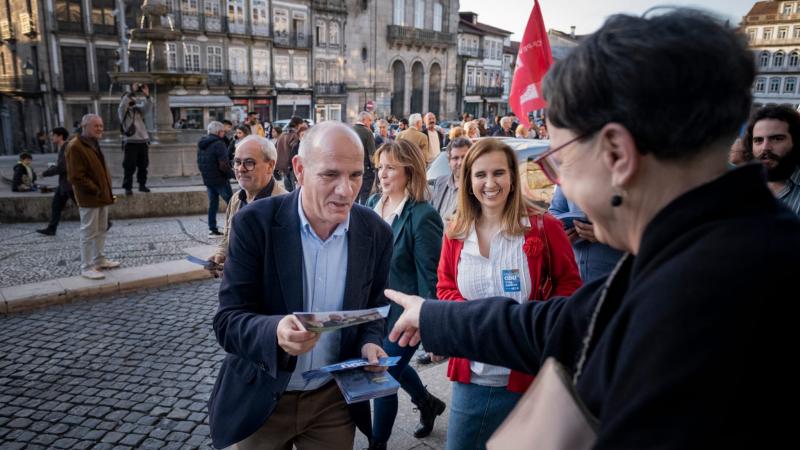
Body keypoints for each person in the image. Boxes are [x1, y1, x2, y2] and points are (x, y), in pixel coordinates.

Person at [387, 9, 800, 449]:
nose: (561, 183)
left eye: (560, 161)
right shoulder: (713, 245)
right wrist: (432, 314)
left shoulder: (702, 299)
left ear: (617, 154)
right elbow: (562, 324)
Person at [208, 121, 393, 450]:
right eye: (330, 175)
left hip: (332, 402)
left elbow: (374, 312)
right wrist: (276, 331)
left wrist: (369, 343)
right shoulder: (255, 224)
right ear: (299, 169)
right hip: (262, 397)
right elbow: (227, 322)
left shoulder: (375, 233)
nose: (346, 190)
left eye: (355, 175)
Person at [430, 138, 582, 450]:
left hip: (531, 379)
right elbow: (445, 289)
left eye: (498, 173)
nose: (489, 183)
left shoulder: (543, 226)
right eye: (480, 174)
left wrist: (536, 327)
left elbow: (570, 287)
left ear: (512, 177)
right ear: (468, 180)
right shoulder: (455, 231)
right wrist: (474, 326)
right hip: (471, 378)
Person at [365, 140, 446, 449]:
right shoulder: (373, 202)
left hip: (404, 316)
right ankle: (427, 402)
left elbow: (431, 277)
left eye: (391, 168)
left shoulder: (422, 215)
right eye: (380, 167)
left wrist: (434, 330)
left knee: (382, 377)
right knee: (393, 368)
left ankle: (378, 444)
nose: (383, 174)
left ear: (409, 171)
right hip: (373, 312)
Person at [207, 135, 288, 277]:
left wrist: (236, 267)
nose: (241, 169)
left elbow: (286, 262)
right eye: (237, 162)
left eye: (249, 162)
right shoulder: (236, 199)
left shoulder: (286, 205)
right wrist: (220, 254)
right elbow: (227, 237)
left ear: (270, 166)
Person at [65, 114, 120, 280]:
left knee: (102, 229)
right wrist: (95, 189)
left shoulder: (92, 143)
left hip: (102, 195)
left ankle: (100, 259)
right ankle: (87, 266)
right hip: (90, 197)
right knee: (88, 232)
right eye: (96, 126)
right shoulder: (75, 146)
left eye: (101, 126)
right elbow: (76, 176)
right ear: (85, 126)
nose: (100, 129)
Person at [549, 185, 624, 282]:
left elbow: (642, 222)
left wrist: (607, 233)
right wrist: (561, 233)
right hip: (576, 273)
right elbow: (555, 211)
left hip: (616, 273)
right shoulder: (567, 174)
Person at [744, 105, 800, 215]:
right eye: (758, 140)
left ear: (796, 141)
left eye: (777, 139)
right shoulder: (739, 187)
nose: (765, 147)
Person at [197, 121, 235, 237]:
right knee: (233, 203)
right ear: (219, 132)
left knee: (213, 204)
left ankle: (212, 229)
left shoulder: (202, 143)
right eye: (223, 131)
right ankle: (236, 228)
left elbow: (199, 162)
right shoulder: (219, 143)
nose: (224, 133)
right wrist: (232, 175)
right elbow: (224, 164)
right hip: (220, 179)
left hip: (208, 179)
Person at [37, 127, 75, 236]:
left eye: (53, 135)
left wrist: (45, 173)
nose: (51, 138)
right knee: (56, 205)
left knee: (83, 205)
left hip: (69, 184)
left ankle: (105, 223)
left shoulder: (66, 147)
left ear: (60, 136)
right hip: (64, 184)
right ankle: (51, 228)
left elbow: (62, 167)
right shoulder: (63, 147)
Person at [118, 82, 153, 195]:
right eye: (130, 98)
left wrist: (147, 96)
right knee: (129, 166)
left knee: (143, 165)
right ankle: (128, 187)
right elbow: (123, 104)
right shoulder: (123, 111)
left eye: (133, 98)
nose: (133, 100)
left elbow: (148, 108)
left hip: (143, 141)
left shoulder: (137, 110)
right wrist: (130, 92)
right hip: (131, 141)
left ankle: (142, 185)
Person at [431, 136, 471, 223]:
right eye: (455, 158)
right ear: (449, 162)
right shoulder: (439, 182)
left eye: (464, 157)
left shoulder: (476, 188)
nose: (460, 162)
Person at [353, 111, 377, 204]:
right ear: (364, 120)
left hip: (351, 169)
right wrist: (374, 167)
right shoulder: (368, 132)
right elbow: (372, 154)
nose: (370, 122)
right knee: (365, 197)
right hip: (365, 170)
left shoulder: (349, 130)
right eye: (369, 120)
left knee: (354, 196)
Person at [276, 116, 304, 190]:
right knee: (295, 192)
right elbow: (295, 151)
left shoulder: (282, 135)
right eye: (301, 124)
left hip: (283, 168)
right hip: (292, 168)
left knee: (287, 191)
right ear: (298, 125)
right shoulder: (295, 135)